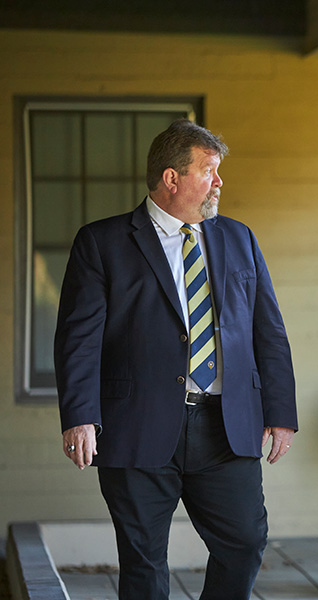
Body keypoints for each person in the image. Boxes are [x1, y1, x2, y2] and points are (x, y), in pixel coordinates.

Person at [55, 119, 298, 600]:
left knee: (245, 543)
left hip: (226, 427)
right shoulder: (103, 242)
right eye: (209, 170)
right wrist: (80, 416)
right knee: (144, 562)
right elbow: (78, 338)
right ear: (172, 178)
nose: (219, 181)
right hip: (136, 423)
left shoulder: (240, 238)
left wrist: (280, 412)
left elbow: (267, 330)